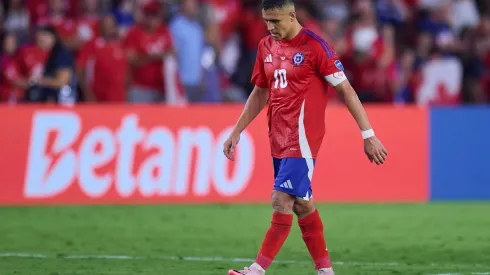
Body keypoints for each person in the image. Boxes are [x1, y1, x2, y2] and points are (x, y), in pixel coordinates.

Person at [223, 1, 388, 275]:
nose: (270, 27)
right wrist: (237, 130)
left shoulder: (315, 46)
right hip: (277, 136)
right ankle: (325, 271)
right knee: (302, 203)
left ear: (292, 15)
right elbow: (260, 92)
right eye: (266, 20)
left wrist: (368, 135)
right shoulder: (266, 46)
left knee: (281, 199)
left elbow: (346, 90)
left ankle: (256, 270)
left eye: (275, 21)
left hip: (302, 139)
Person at [25, 25, 77, 104]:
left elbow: (62, 81)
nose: (39, 44)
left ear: (52, 38)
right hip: (53, 99)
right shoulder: (51, 54)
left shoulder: (61, 54)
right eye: (38, 41)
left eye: (42, 40)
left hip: (63, 101)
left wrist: (38, 81)